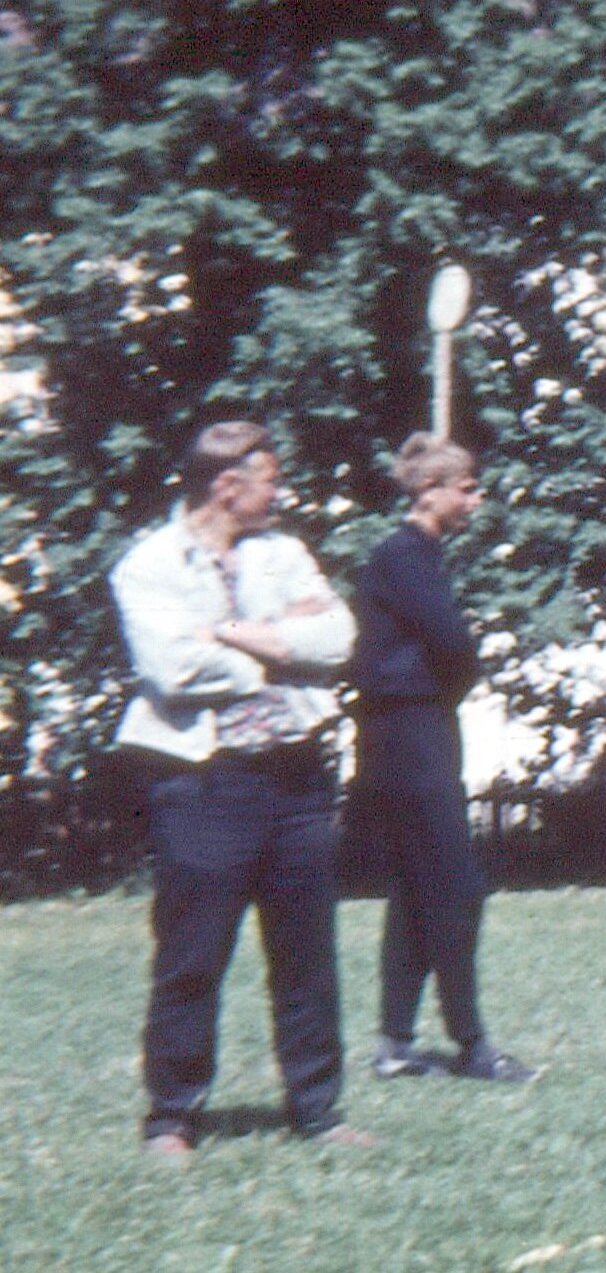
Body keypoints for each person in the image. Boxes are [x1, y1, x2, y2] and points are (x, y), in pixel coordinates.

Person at [111, 420, 367, 1157]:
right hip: (203, 783)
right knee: (192, 954)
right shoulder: (148, 566)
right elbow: (173, 670)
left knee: (307, 954)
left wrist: (223, 630)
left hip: (297, 775)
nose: (281, 495)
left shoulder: (283, 553)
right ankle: (172, 1118)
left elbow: (338, 638)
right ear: (228, 486)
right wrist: (276, 645)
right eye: (271, 481)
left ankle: (317, 1111)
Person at [352, 434, 534, 1085]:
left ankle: (396, 1046)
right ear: (431, 492)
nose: (477, 500)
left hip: (411, 730)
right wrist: (448, 689)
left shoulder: (414, 556)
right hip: (410, 734)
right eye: (467, 488)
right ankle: (472, 1045)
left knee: (415, 889)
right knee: (457, 889)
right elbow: (454, 643)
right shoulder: (403, 556)